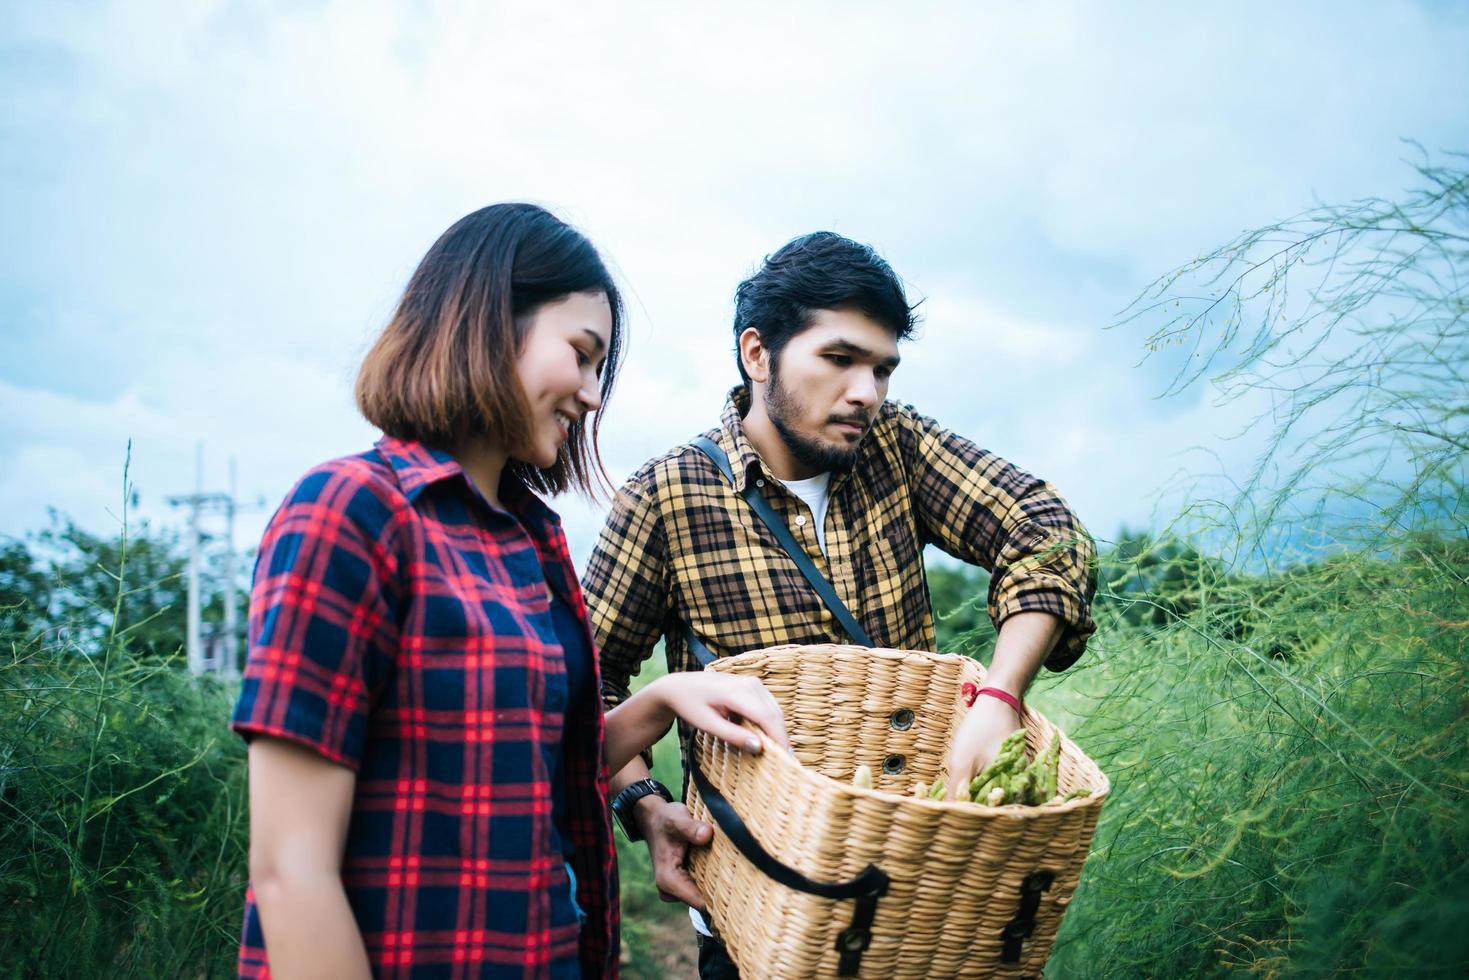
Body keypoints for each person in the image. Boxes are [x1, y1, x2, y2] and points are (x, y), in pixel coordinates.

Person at [231, 203, 788, 979]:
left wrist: (665, 701)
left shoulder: (531, 539)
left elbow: (531, 761)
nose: (594, 396)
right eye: (582, 354)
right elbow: (291, 873)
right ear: (486, 323)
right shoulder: (352, 511)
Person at [583, 231, 1097, 977]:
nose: (866, 392)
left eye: (882, 369)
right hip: (760, 902)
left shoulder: (898, 449)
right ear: (757, 354)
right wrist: (644, 805)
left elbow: (1045, 531)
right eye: (838, 359)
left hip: (923, 896)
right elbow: (592, 685)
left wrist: (1000, 693)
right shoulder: (668, 494)